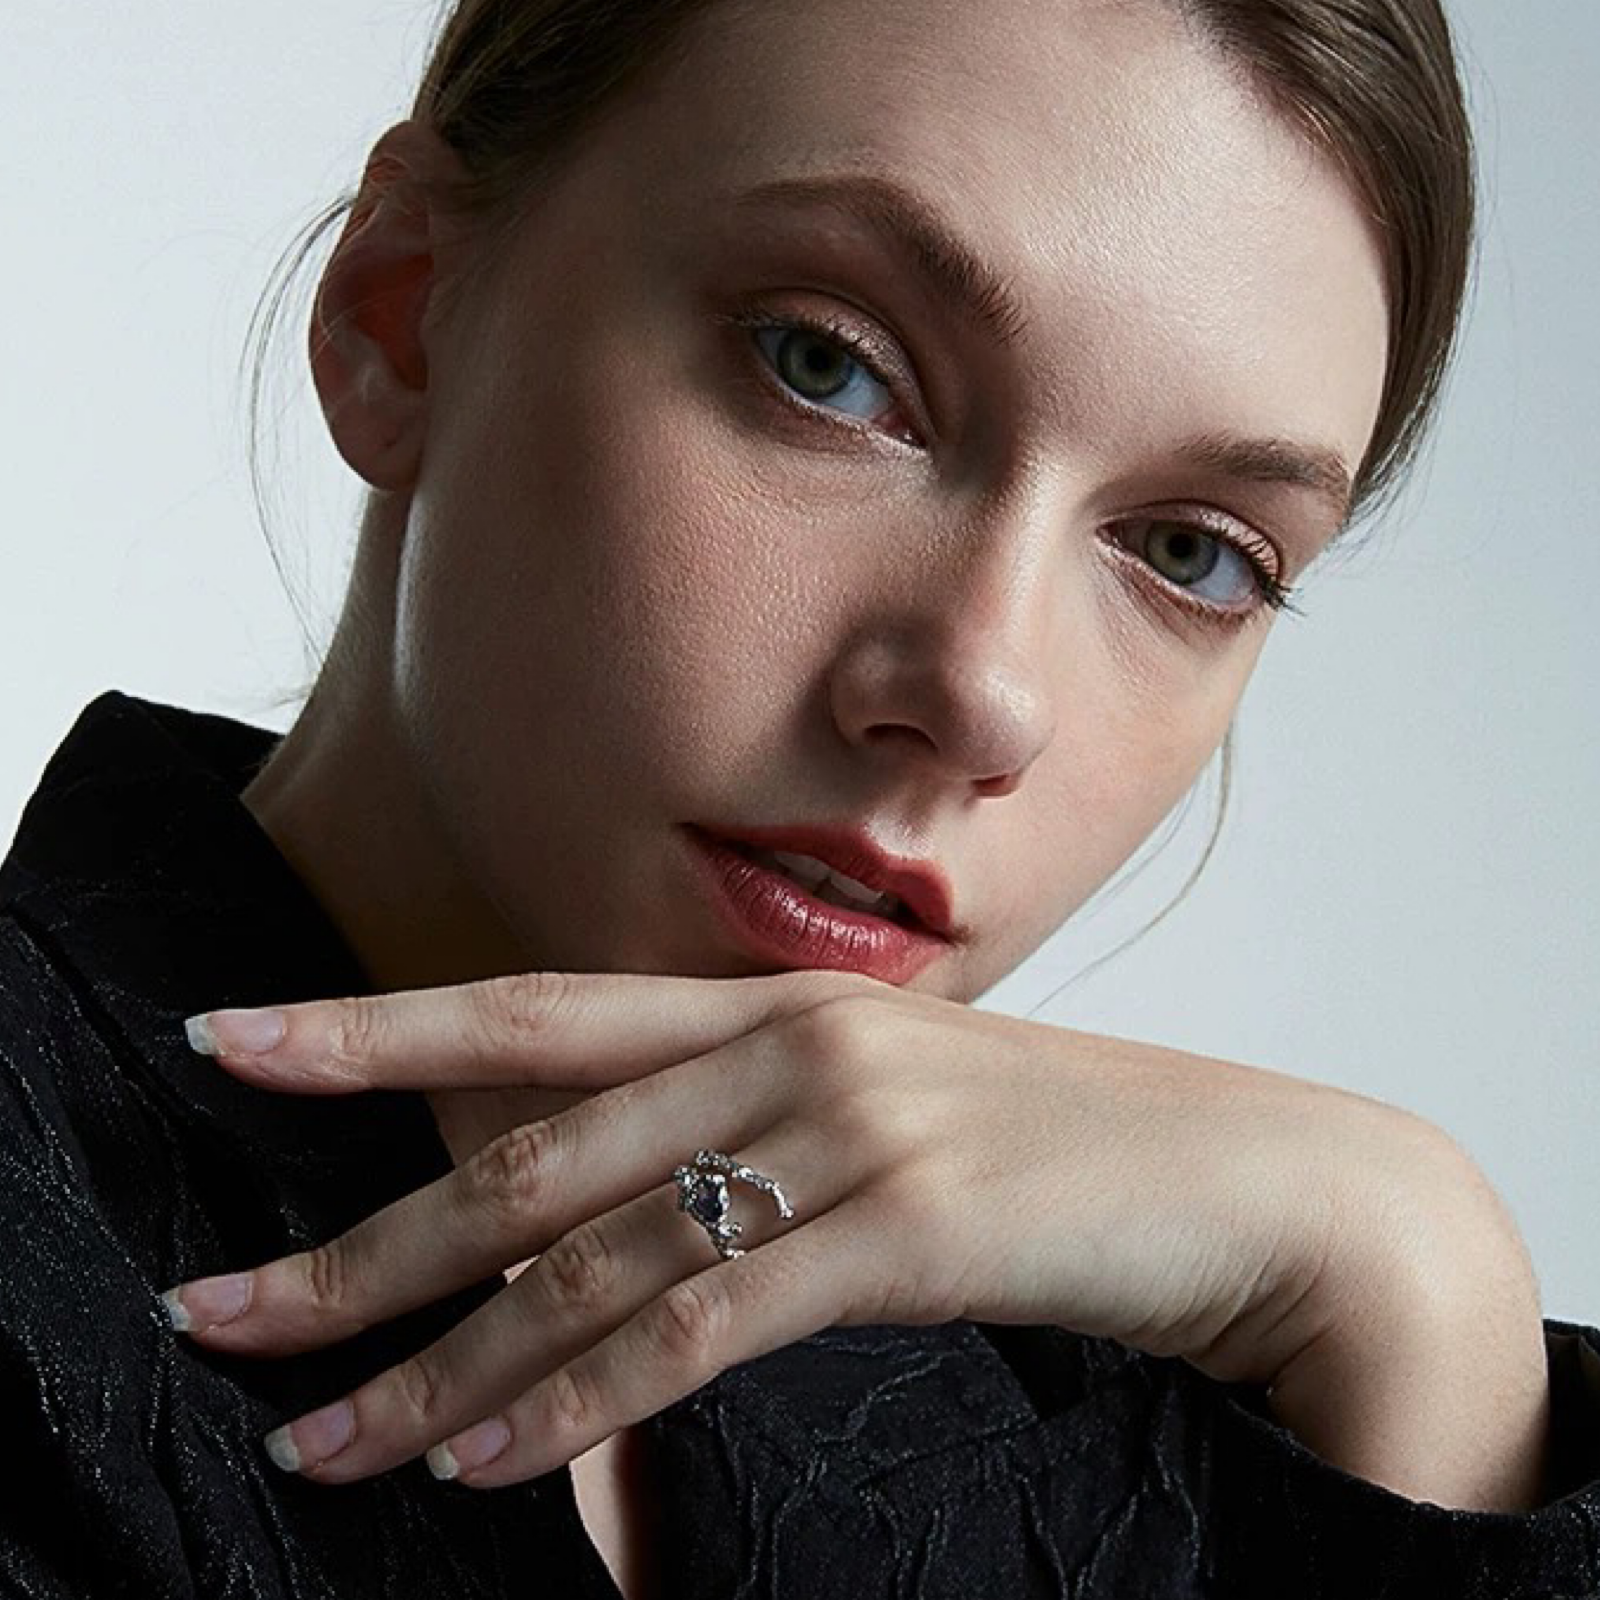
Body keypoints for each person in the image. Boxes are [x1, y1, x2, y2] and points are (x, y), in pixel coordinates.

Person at [3, 0, 1599, 1595]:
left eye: (1193, 552)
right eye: (829, 365)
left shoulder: (1179, 1441)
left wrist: (1425, 1284)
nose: (986, 693)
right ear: (400, 311)